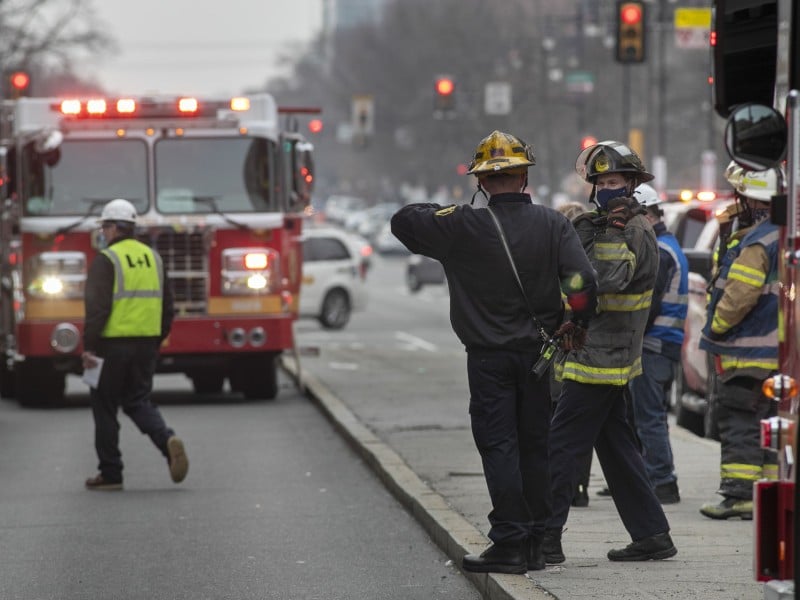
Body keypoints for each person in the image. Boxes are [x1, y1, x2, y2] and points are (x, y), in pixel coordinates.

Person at [391, 131, 597, 575]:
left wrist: (450, 210)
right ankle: (539, 543)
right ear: (524, 176)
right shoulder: (553, 224)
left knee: (499, 446)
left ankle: (508, 542)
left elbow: (405, 221)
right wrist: (576, 323)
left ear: (481, 182)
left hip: (487, 359)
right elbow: (582, 281)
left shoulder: (462, 226)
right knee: (534, 445)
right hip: (538, 355)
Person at [543, 140, 677, 564]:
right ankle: (652, 534)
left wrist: (612, 231)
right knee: (618, 450)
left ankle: (545, 538)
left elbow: (607, 280)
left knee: (561, 447)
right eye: (600, 181)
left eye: (615, 181)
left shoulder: (632, 230)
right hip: (603, 355)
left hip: (600, 360)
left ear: (633, 184)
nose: (606, 188)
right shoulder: (602, 226)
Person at [82, 198, 188, 491]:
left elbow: (97, 308)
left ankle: (111, 473)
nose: (103, 232)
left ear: (115, 228)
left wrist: (88, 347)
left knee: (104, 406)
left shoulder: (106, 259)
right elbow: (168, 305)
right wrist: (156, 339)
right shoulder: (153, 258)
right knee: (137, 400)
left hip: (111, 345)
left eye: (105, 226)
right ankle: (167, 442)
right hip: (145, 344)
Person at [698, 166, 780, 520]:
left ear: (751, 198)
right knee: (772, 424)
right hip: (777, 353)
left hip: (746, 352)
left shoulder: (758, 241)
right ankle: (770, 491)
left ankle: (740, 494)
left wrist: (716, 328)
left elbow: (739, 296)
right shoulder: (782, 235)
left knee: (739, 422)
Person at [627, 182, 688, 504]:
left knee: (648, 416)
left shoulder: (660, 251)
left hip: (653, 345)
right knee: (650, 415)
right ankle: (647, 477)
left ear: (648, 214)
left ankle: (662, 482)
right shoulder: (667, 244)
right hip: (662, 345)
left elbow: (648, 304)